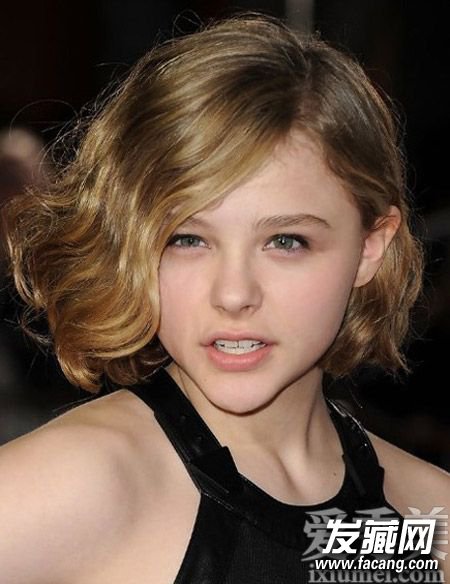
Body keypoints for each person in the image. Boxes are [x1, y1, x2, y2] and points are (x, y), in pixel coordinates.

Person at [0, 13, 448, 584]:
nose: (234, 294)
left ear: (369, 247)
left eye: (286, 241)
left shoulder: (426, 519)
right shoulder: (79, 485)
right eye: (187, 239)